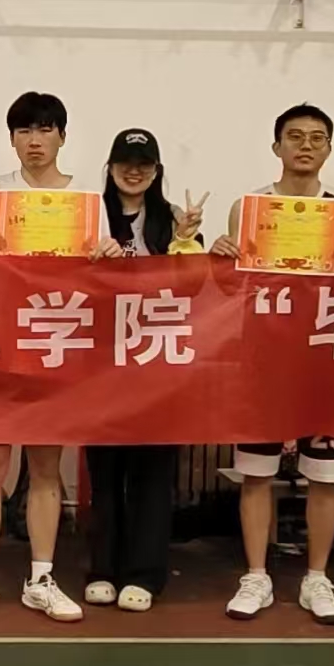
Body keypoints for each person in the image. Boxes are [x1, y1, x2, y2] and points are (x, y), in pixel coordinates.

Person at [207, 103, 334, 623]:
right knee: (256, 473)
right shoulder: (249, 208)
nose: (306, 145)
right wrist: (220, 258)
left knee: (325, 476)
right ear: (276, 145)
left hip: (325, 359)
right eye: (295, 136)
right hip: (264, 359)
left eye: (316, 137)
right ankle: (257, 576)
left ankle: (317, 578)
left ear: (329, 148)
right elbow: (232, 291)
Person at [0, 91, 106, 623]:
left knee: (44, 467)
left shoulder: (87, 200)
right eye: (24, 131)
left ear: (62, 135)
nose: (34, 141)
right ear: (12, 139)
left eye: (44, 130)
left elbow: (104, 278)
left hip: (55, 346)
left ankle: (42, 578)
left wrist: (106, 256)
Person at [82, 127, 203, 613]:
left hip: (157, 363)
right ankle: (103, 569)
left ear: (156, 172)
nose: (134, 172)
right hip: (100, 366)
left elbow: (195, 289)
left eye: (144, 165)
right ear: (110, 168)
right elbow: (62, 284)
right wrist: (91, 259)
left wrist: (186, 242)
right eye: (125, 163)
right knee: (105, 473)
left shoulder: (175, 221)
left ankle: (145, 573)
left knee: (152, 473)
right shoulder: (88, 217)